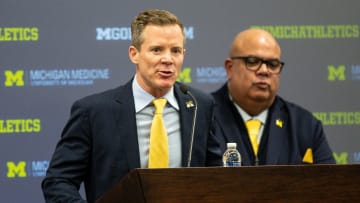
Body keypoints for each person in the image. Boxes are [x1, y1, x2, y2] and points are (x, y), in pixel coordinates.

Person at [42, 9, 222, 203]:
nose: (168, 59)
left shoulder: (199, 106)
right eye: (157, 50)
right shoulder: (93, 112)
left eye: (175, 51)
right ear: (134, 54)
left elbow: (217, 178)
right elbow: (58, 181)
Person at [212, 28, 335, 166]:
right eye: (252, 61)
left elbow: (330, 184)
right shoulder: (202, 118)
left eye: (273, 64)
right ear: (230, 68)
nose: (264, 71)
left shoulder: (304, 125)